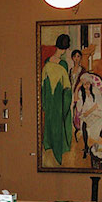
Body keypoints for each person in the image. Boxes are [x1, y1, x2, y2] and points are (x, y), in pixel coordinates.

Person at [41, 33, 73, 165]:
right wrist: (68, 102)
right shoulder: (63, 64)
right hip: (59, 97)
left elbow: (44, 83)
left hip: (49, 97)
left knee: (49, 120)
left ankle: (48, 144)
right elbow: (66, 86)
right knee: (60, 121)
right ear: (65, 49)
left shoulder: (47, 61)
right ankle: (59, 148)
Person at [74, 73, 102, 164]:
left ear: (90, 83)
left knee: (96, 131)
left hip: (96, 113)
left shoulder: (95, 91)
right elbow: (77, 101)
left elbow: (98, 105)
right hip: (86, 114)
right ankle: (86, 146)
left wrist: (88, 112)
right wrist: (77, 88)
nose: (86, 86)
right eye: (84, 84)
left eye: (88, 83)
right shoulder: (81, 93)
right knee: (84, 126)